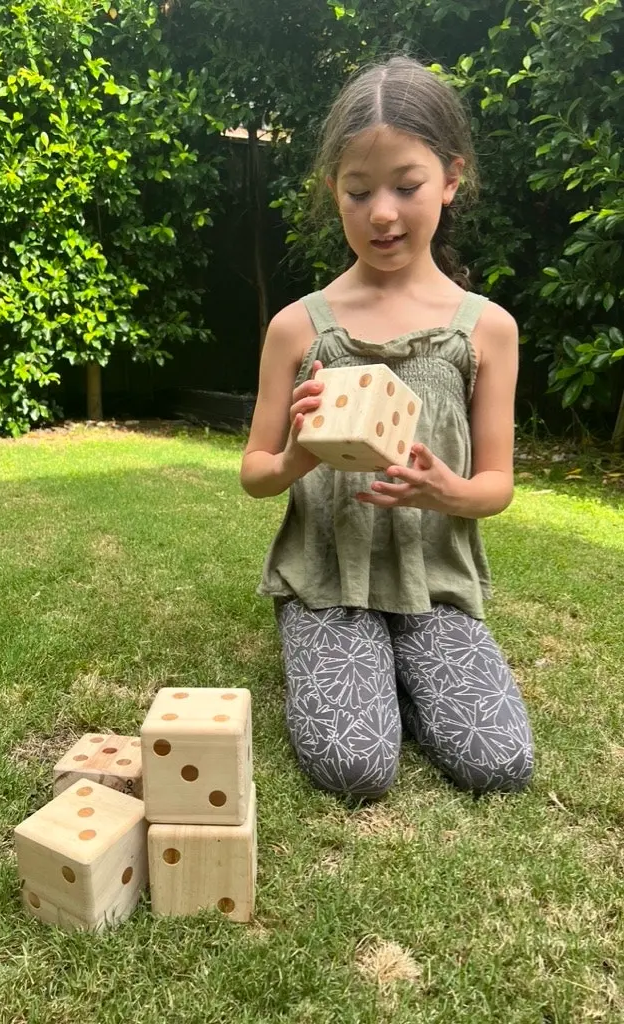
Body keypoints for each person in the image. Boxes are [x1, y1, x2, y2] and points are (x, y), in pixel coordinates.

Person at [240, 56, 534, 799]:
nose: (381, 212)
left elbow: (495, 486)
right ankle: (347, 661)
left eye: (405, 186)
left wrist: (448, 492)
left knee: (497, 765)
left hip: (433, 582)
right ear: (330, 190)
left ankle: (401, 666)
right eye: (357, 190)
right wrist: (301, 457)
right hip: (326, 582)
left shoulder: (486, 331)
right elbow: (254, 473)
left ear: (449, 178)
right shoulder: (296, 329)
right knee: (354, 769)